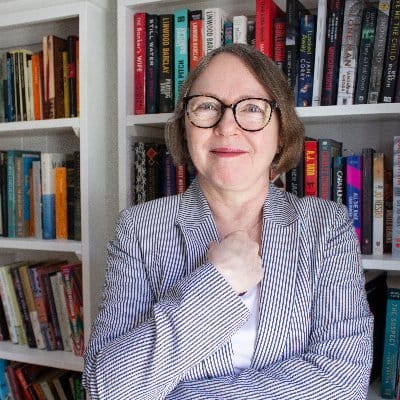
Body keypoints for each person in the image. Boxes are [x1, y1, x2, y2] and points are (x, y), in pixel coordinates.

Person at [83, 44, 373, 400]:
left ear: (281, 132)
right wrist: (217, 285)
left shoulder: (326, 226)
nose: (227, 126)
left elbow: (343, 382)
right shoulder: (139, 229)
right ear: (185, 128)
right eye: (207, 106)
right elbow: (106, 388)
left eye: (252, 108)